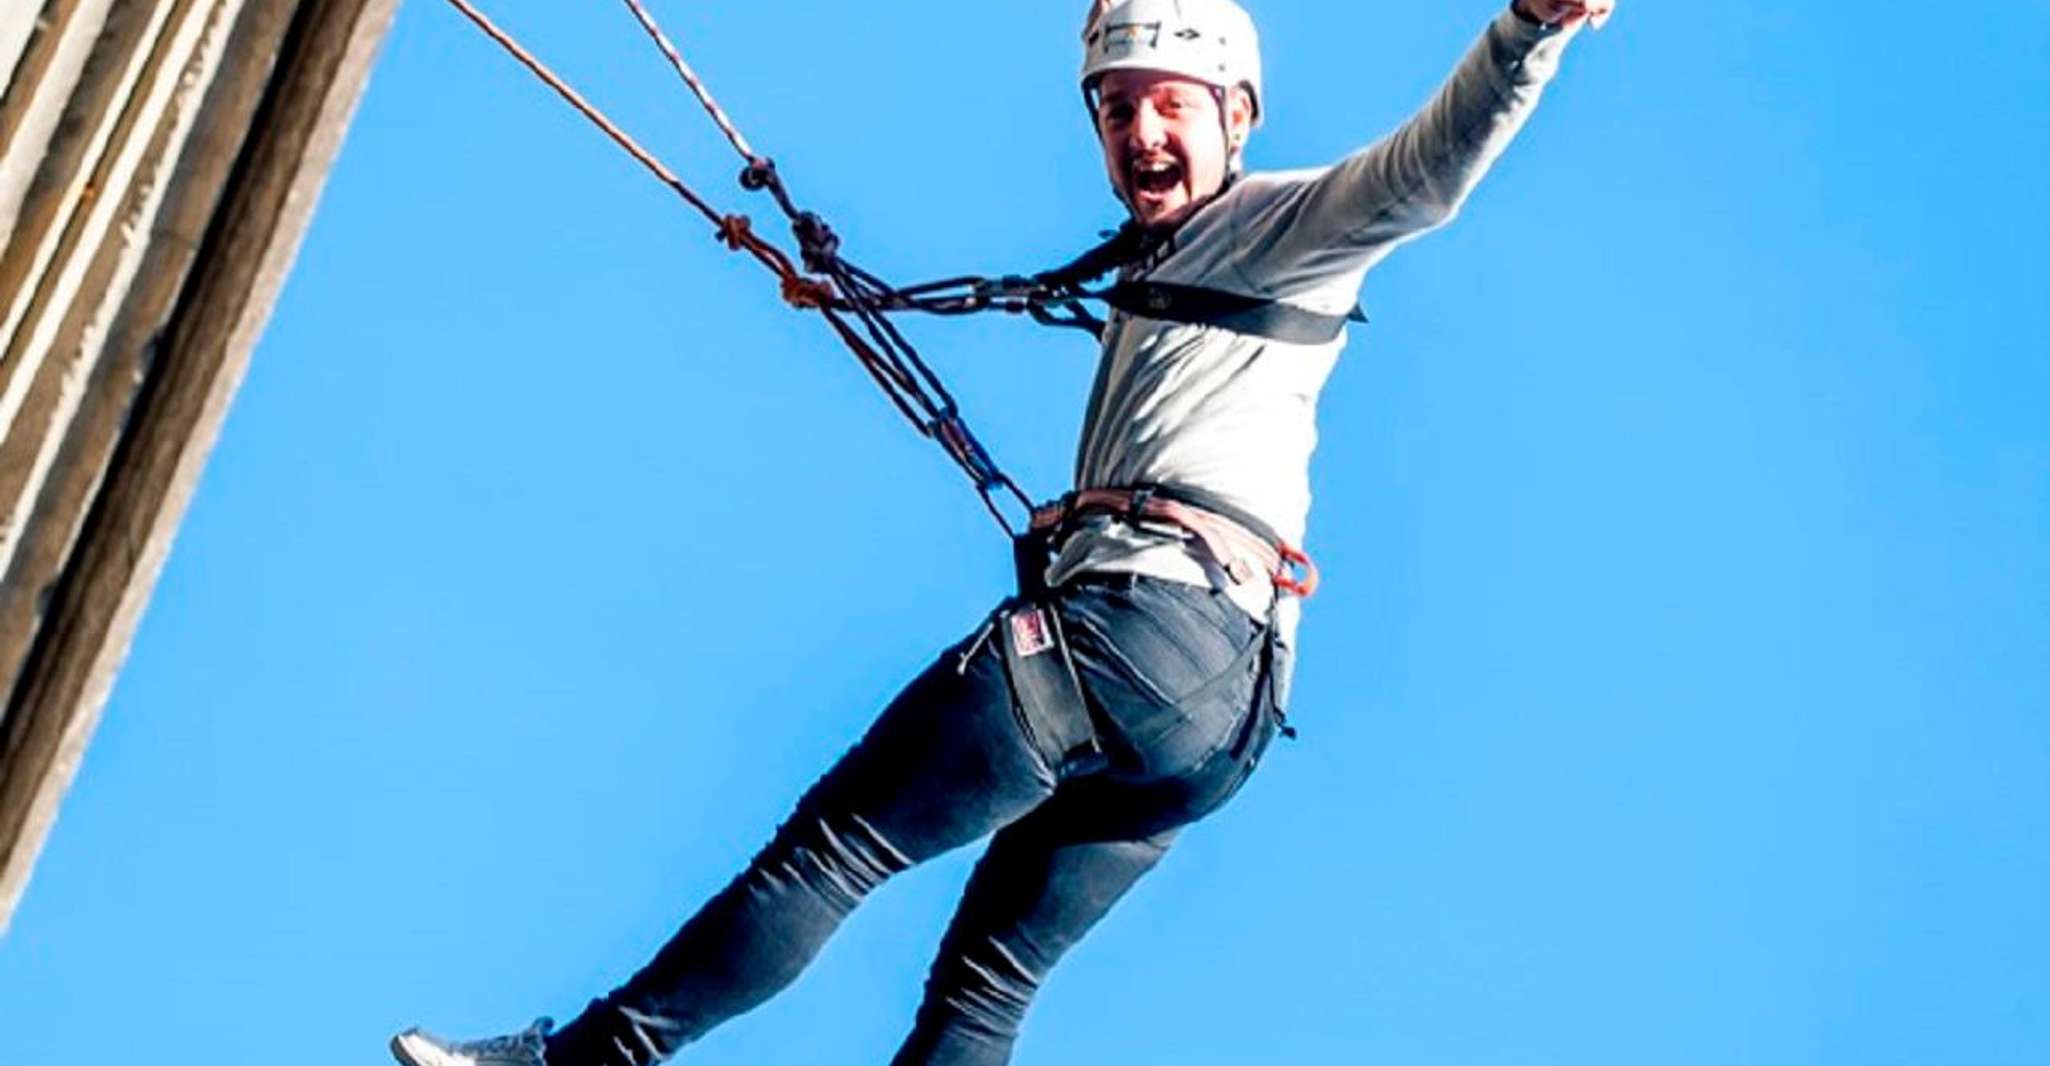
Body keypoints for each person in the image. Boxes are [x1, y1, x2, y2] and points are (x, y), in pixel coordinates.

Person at [393, 1, 1612, 1063]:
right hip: (1217, 717)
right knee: (987, 987)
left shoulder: (1293, 227)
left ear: (1238, 112)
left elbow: (1428, 170)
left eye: (1167, 106)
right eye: (1115, 111)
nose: (1140, 134)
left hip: (1140, 632)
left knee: (833, 850)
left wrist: (1527, 30)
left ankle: (594, 1061)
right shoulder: (1167, 265)